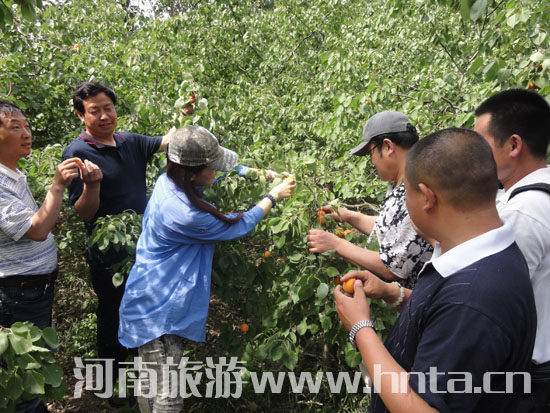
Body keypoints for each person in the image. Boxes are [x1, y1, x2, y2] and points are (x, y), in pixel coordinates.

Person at [334, 128, 536, 412]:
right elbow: (438, 317)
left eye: (408, 193)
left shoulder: (473, 300)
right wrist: (392, 293)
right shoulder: (475, 255)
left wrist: (360, 328)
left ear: (427, 197)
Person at [117, 125, 295, 412]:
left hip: (148, 295)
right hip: (159, 313)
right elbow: (241, 224)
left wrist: (255, 173)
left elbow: (212, 173)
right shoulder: (185, 215)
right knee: (168, 396)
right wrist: (272, 196)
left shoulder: (169, 179)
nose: (215, 171)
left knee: (151, 383)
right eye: (211, 167)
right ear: (191, 172)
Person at [0, 100, 88, 412]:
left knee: (32, 364)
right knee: (24, 370)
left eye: (26, 125)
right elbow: (36, 230)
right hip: (16, 293)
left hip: (31, 289)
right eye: (15, 127)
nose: (26, 133)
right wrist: (56, 188)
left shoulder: (12, 173)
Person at [474, 89, 550, 412]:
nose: (474, 155)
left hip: (530, 380)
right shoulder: (533, 196)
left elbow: (493, 305)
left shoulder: (523, 212)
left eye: (481, 144)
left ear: (514, 145)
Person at [307, 111, 433, 288]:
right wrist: (351, 217)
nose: (372, 161)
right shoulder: (401, 183)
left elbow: (391, 267)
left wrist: (336, 244)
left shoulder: (415, 191)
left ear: (388, 147)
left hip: (424, 305)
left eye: (370, 152)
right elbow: (394, 230)